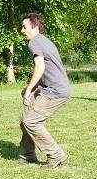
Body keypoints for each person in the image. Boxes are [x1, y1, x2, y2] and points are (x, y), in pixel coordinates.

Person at [18, 13, 70, 169]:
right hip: (49, 88)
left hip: (54, 91)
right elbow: (46, 69)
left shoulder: (34, 43)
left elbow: (40, 66)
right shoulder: (44, 41)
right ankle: (27, 154)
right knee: (25, 118)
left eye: (24, 27)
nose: (22, 30)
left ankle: (56, 154)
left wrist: (29, 90)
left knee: (30, 121)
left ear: (34, 27)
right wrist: (29, 88)